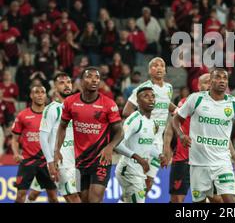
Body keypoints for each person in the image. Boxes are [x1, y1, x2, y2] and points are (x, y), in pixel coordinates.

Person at [171, 68, 235, 203]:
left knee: (229, 202)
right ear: (211, 81)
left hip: (223, 163)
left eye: (225, 78)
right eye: (218, 77)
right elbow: (175, 120)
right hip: (198, 164)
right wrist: (181, 135)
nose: (222, 80)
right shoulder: (196, 99)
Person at [54, 67, 124, 203]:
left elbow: (119, 132)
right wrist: (57, 150)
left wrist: (110, 147)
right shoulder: (70, 102)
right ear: (81, 81)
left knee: (95, 199)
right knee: (83, 199)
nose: (94, 80)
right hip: (80, 161)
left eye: (97, 77)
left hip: (101, 159)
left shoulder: (108, 104)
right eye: (89, 76)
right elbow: (62, 127)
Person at [122, 57, 176, 190]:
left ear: (165, 70)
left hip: (158, 141)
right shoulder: (144, 88)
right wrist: (144, 125)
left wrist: (179, 111)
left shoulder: (168, 87)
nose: (159, 68)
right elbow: (126, 111)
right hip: (144, 140)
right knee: (137, 182)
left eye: (162, 65)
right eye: (155, 66)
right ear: (149, 70)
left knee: (149, 182)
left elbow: (166, 104)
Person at [11, 86, 58, 203]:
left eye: (43, 92)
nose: (40, 95)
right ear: (31, 96)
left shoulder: (52, 114)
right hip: (28, 161)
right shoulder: (22, 115)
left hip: (47, 161)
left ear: (46, 96)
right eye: (37, 92)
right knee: (20, 196)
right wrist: (16, 153)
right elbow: (14, 139)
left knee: (52, 196)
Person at [39, 72, 81, 203]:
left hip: (78, 160)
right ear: (55, 87)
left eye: (68, 82)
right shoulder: (52, 109)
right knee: (73, 197)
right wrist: (50, 162)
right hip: (61, 162)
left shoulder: (78, 106)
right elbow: (42, 137)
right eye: (62, 83)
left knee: (80, 196)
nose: (66, 85)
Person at [114, 87, 160, 203]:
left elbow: (147, 146)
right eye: (146, 96)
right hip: (128, 170)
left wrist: (160, 155)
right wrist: (139, 159)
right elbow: (117, 144)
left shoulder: (153, 123)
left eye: (153, 96)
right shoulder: (134, 120)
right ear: (138, 101)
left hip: (139, 170)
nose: (151, 99)